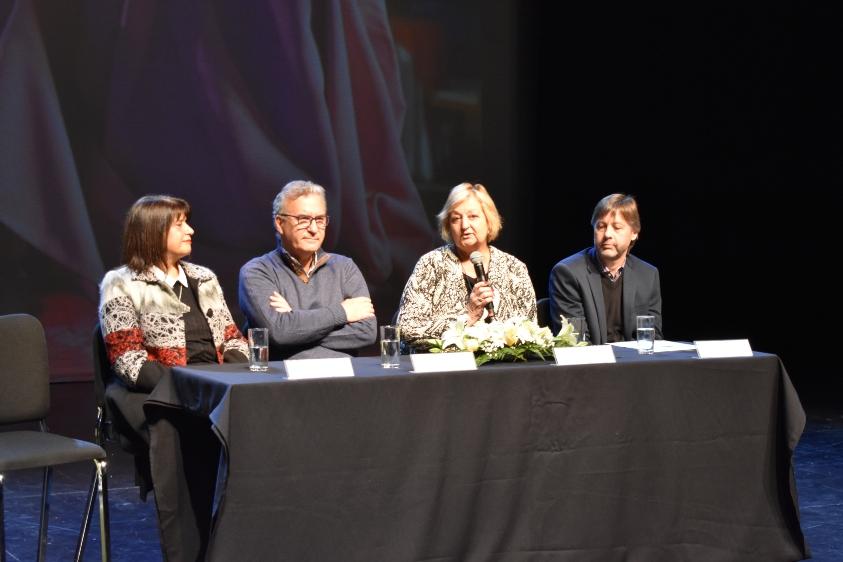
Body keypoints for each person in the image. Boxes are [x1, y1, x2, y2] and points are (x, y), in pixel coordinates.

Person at [98, 195, 248, 494]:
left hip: (214, 385)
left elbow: (233, 337)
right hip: (162, 390)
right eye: (180, 225)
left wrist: (227, 377)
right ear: (152, 231)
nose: (190, 230)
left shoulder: (204, 278)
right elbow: (127, 359)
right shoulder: (121, 283)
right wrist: (190, 384)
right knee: (184, 431)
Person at [239, 180, 376, 359]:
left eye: (319, 220)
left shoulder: (345, 267)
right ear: (280, 223)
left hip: (342, 380)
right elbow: (279, 333)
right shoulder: (256, 271)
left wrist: (295, 321)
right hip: (282, 381)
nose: (313, 229)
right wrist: (342, 313)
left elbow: (367, 332)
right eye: (303, 219)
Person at [397, 182, 537, 344]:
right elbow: (407, 328)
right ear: (448, 226)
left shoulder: (514, 268)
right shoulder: (430, 264)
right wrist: (467, 316)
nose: (464, 226)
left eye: (473, 216)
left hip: (502, 365)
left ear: (489, 220)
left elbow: (530, 330)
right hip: (446, 365)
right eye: (456, 218)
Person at [548, 193, 662, 344]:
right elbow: (575, 341)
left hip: (634, 363)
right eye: (601, 226)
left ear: (634, 233)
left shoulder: (647, 275)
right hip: (591, 364)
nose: (607, 234)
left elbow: (652, 339)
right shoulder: (568, 273)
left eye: (617, 227)